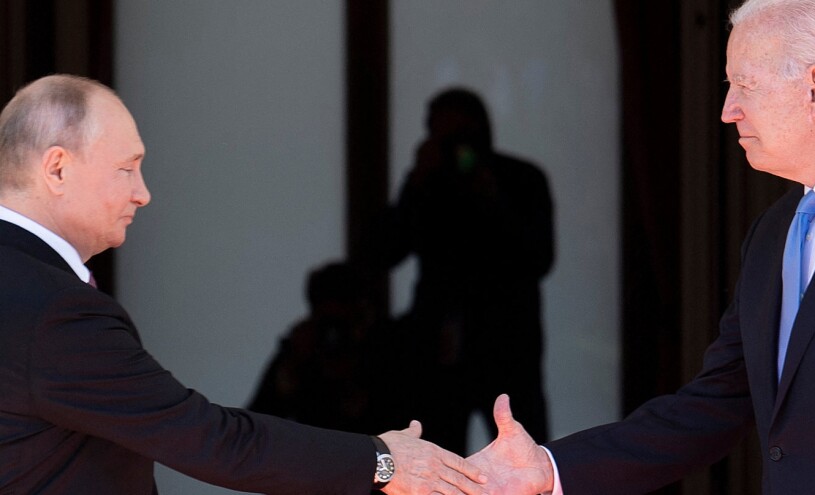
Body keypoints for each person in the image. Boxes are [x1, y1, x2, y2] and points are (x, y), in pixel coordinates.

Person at [0, 74, 490, 495]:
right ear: (58, 168)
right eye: (126, 169)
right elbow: (207, 438)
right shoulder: (56, 310)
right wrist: (384, 460)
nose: (142, 193)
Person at [467, 0, 815, 493]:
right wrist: (552, 469)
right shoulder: (776, 232)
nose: (728, 111)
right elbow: (714, 405)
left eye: (744, 85)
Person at [367, 87, 554, 456]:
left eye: (462, 136)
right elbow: (378, 253)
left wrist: (494, 200)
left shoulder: (520, 180)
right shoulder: (428, 185)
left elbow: (539, 258)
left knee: (525, 465)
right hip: (438, 356)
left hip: (508, 351)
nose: (455, 148)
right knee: (436, 466)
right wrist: (416, 182)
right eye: (441, 135)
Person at [249, 261, 401, 433]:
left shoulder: (389, 351)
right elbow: (255, 426)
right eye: (326, 322)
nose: (334, 335)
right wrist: (289, 371)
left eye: (343, 324)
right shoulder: (301, 350)